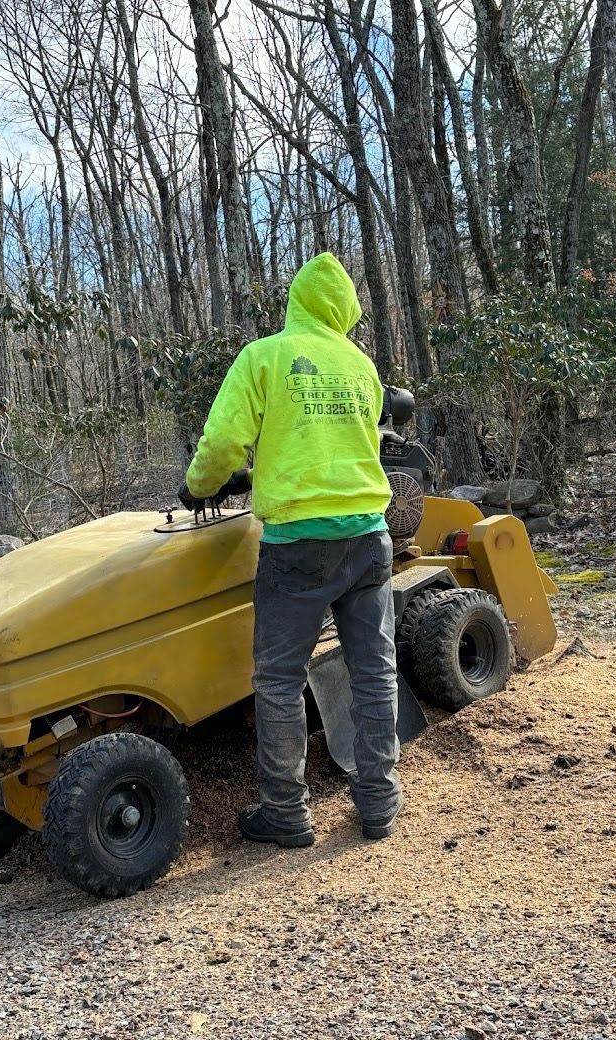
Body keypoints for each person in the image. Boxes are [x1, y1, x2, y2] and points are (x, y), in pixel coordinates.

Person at [179, 252, 402, 847]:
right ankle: (379, 803)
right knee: (373, 672)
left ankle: (285, 812)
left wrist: (199, 486)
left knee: (279, 680)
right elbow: (348, 444)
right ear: (344, 310)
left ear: (296, 301)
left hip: (297, 545)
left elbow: (224, 442)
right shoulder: (361, 367)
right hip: (367, 537)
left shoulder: (265, 357)